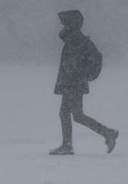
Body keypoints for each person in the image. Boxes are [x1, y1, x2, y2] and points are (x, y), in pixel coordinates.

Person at [49, 10, 118, 156]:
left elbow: (74, 64)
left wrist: (75, 77)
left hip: (73, 84)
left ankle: (106, 134)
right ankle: (105, 133)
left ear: (70, 24)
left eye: (64, 22)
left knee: (73, 114)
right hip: (72, 82)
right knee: (71, 114)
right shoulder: (73, 38)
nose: (61, 25)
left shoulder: (75, 39)